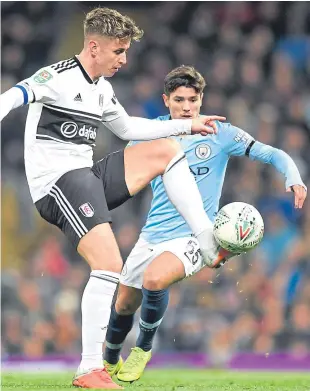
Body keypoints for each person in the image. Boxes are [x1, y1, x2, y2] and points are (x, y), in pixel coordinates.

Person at [0, 8, 229, 390]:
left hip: (86, 177)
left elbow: (127, 129)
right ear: (94, 46)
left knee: (166, 150)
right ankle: (90, 368)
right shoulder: (56, 78)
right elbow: (12, 96)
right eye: (119, 51)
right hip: (57, 184)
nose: (124, 59)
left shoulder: (101, 89)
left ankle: (206, 239)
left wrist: (188, 124)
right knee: (110, 264)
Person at [103, 65, 307, 382]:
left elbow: (272, 153)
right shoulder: (149, 133)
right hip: (152, 234)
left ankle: (142, 349)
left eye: (193, 100)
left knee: (155, 280)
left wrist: (292, 175)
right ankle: (109, 358)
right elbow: (127, 178)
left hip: (197, 236)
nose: (187, 107)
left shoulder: (220, 133)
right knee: (124, 304)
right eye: (180, 100)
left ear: (201, 100)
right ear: (166, 100)